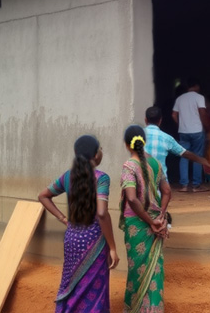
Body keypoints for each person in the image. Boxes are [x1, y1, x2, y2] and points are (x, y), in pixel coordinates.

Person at [39, 135, 119, 313]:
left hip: (72, 238)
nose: (102, 153)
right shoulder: (102, 178)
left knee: (71, 285)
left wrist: (63, 218)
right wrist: (112, 247)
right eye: (100, 149)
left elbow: (43, 196)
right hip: (94, 240)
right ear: (96, 155)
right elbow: (101, 213)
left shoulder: (67, 177)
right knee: (95, 289)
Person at [120, 125, 171, 313]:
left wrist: (151, 222)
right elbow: (167, 192)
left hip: (137, 224)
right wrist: (160, 216)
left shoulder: (129, 166)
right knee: (155, 269)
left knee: (137, 269)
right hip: (156, 222)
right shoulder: (156, 164)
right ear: (145, 141)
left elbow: (131, 198)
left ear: (127, 144)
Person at [142, 106, 210, 183]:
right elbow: (185, 153)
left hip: (141, 180)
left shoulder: (136, 136)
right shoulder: (167, 138)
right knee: (166, 192)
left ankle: (184, 184)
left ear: (145, 120)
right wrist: (201, 160)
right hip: (160, 183)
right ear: (160, 120)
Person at [171, 77, 209, 192]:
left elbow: (173, 115)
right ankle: (196, 186)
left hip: (183, 132)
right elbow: (202, 113)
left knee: (184, 157)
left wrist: (181, 125)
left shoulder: (180, 98)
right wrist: (207, 127)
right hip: (197, 131)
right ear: (197, 86)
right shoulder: (199, 97)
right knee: (197, 157)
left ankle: (184, 186)